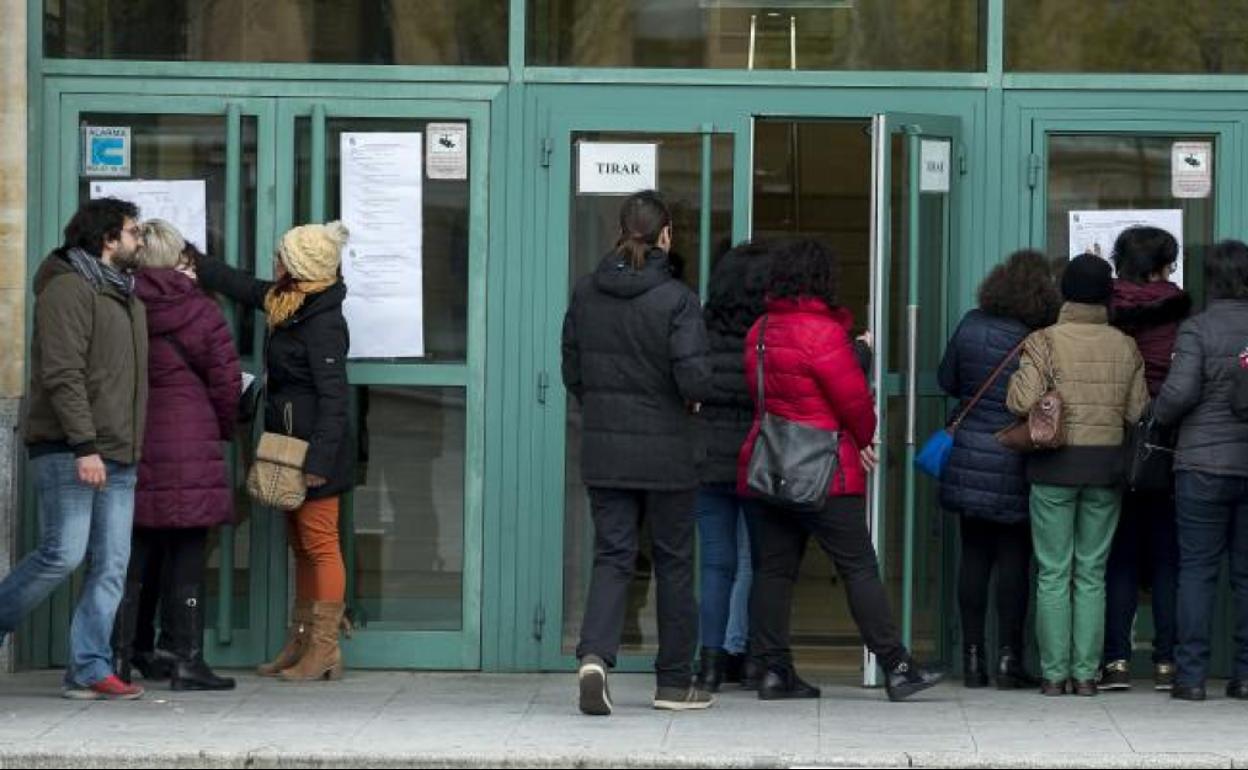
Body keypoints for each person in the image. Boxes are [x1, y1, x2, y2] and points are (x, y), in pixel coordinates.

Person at [737, 238, 942, 702]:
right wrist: (862, 370)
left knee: (773, 572)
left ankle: (773, 670)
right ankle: (897, 666)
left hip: (769, 465)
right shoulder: (823, 333)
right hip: (825, 470)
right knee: (859, 568)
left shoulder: (761, 330)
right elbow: (855, 408)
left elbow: (767, 396)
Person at [562, 190, 714, 715]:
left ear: (619, 232)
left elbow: (572, 372)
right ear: (666, 235)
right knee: (674, 562)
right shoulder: (678, 299)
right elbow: (693, 376)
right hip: (669, 453)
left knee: (612, 556)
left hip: (605, 449)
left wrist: (604, 408)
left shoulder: (586, 292)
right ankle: (674, 682)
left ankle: (595, 658)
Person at [0, 198, 148, 699]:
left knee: (111, 564)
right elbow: (63, 375)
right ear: (108, 239)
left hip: (118, 450)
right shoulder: (69, 288)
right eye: (133, 231)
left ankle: (89, 667)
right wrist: (84, 446)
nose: (140, 240)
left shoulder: (125, 294)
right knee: (62, 553)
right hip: (71, 448)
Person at [195, 221, 353, 682]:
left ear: (301, 266)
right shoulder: (291, 302)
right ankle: (302, 637)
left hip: (313, 454)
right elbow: (244, 287)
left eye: (282, 256)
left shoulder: (323, 321)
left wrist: (319, 464)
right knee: (301, 545)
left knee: (321, 544)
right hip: (286, 448)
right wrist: (198, 264)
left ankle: (324, 649)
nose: (275, 262)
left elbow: (334, 399)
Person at [1007, 253, 1148, 696]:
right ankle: (1086, 675)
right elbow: (1137, 411)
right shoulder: (1124, 344)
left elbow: (1019, 402)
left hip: (1053, 467)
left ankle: (1054, 674)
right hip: (1105, 467)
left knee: (1052, 571)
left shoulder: (1044, 340)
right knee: (1091, 571)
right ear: (1107, 295)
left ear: (1064, 292)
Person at [110, 220, 240, 691]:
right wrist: (221, 430)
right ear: (178, 258)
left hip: (135, 436)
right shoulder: (202, 311)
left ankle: (122, 658)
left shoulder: (121, 304)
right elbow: (226, 385)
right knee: (187, 551)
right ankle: (186, 659)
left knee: (132, 552)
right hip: (191, 438)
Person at [939, 249, 1059, 689]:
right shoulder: (1041, 337)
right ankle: (1010, 659)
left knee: (973, 556)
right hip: (1016, 455)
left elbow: (945, 380)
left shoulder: (971, 324)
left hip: (970, 452)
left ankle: (972, 659)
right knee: (1014, 558)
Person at [1154, 239, 1248, 702]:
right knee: (1247, 575)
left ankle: (1190, 676)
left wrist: (1153, 414)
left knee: (1197, 570)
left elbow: (1176, 398)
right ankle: (1246, 675)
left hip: (1202, 466)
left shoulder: (1197, 329)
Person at [1100, 226, 1190, 692]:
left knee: (1120, 556)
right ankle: (1166, 662)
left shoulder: (1104, 309)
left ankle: (1114, 660)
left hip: (1113, 443)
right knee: (1166, 556)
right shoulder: (1178, 310)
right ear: (1159, 265)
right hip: (1167, 443)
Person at [694, 241, 770, 692]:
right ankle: (751, 657)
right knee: (757, 563)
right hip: (758, 460)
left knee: (716, 564)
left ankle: (709, 664)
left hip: (707, 461)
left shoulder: (698, 327)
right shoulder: (766, 334)